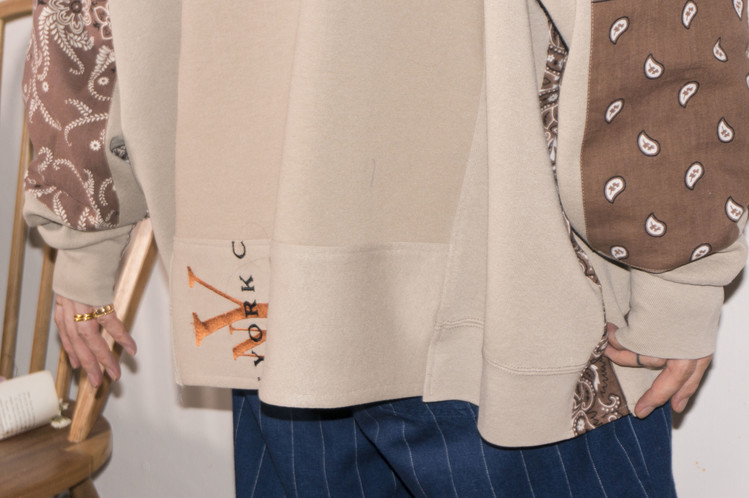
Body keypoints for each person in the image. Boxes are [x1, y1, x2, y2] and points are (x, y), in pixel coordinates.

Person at [21, 0, 748, 496]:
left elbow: (81, 30)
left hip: (273, 307)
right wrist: (677, 273)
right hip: (488, 309)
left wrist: (85, 244)